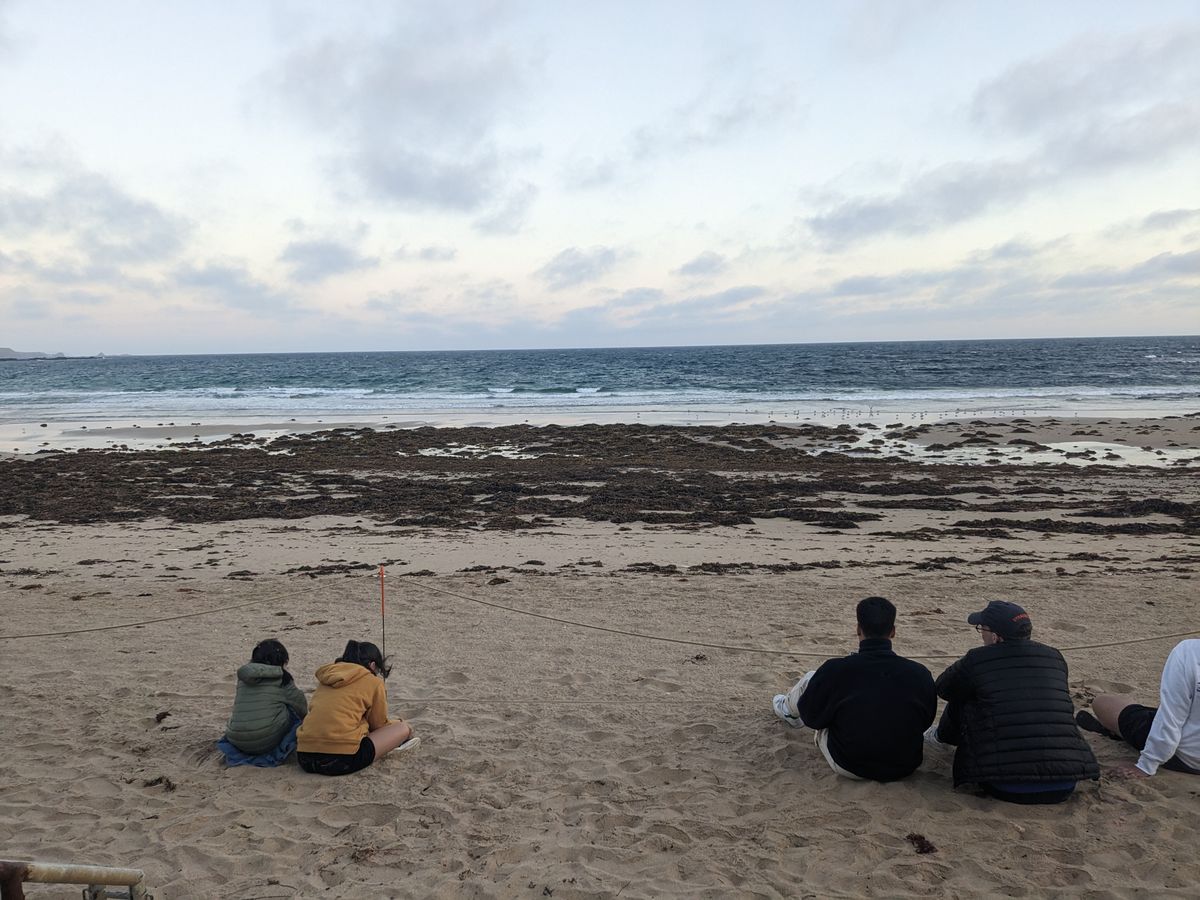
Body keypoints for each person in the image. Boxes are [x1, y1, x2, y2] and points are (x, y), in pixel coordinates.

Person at [927, 601, 1099, 803]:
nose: (981, 634)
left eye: (982, 629)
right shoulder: (1054, 656)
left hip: (1004, 784)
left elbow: (943, 688)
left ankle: (939, 737)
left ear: (995, 636)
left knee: (964, 694)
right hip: (1065, 782)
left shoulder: (977, 658)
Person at [771, 596, 937, 781]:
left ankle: (787, 710)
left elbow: (812, 718)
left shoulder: (835, 669)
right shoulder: (920, 673)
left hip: (850, 764)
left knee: (812, 678)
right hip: (905, 765)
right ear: (893, 632)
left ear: (858, 629)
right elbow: (926, 720)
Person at [1078, 638, 1200, 777]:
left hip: (1187, 758)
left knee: (1102, 702)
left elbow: (1171, 717)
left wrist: (1146, 765)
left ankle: (1115, 732)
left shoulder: (1188, 651)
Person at [296, 640, 419, 776]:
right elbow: (378, 726)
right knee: (403, 728)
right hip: (341, 760)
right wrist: (398, 722)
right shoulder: (373, 682)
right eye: (378, 670)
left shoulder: (326, 678)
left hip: (304, 757)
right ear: (372, 665)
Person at [219, 638, 309, 767]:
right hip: (265, 742)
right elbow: (301, 707)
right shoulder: (282, 679)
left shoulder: (243, 678)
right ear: (282, 660)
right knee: (293, 712)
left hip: (236, 739)